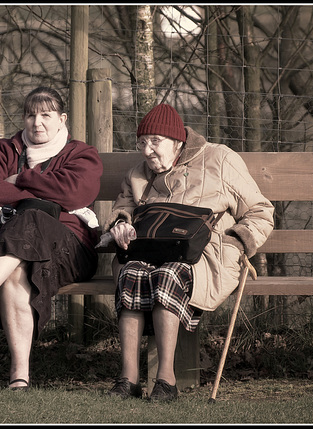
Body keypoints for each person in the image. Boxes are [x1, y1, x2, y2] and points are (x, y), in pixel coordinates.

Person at [102, 103, 274, 402]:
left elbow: (261, 212)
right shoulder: (137, 174)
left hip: (206, 254)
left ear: (178, 141)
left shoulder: (219, 159)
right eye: (142, 143)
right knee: (131, 272)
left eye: (155, 142)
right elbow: (123, 208)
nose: (147, 151)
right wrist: (120, 224)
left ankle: (166, 381)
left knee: (169, 274)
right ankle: (128, 380)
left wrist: (237, 241)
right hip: (150, 249)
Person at [0, 86, 103, 391]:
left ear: (62, 119)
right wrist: (48, 193)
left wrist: (20, 180)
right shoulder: (3, 150)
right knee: (16, 270)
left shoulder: (81, 153)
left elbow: (76, 192)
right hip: (5, 247)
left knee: (32, 217)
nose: (37, 122)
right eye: (31, 115)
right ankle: (19, 377)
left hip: (69, 250)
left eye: (46, 115)